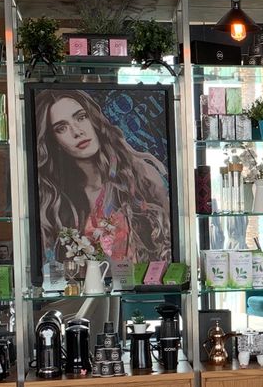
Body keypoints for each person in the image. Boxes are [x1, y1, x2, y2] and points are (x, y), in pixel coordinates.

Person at [34, 88, 172, 266]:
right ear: (53, 142)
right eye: (62, 128)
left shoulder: (142, 176)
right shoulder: (53, 200)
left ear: (94, 120)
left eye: (81, 117)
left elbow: (171, 244)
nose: (77, 131)